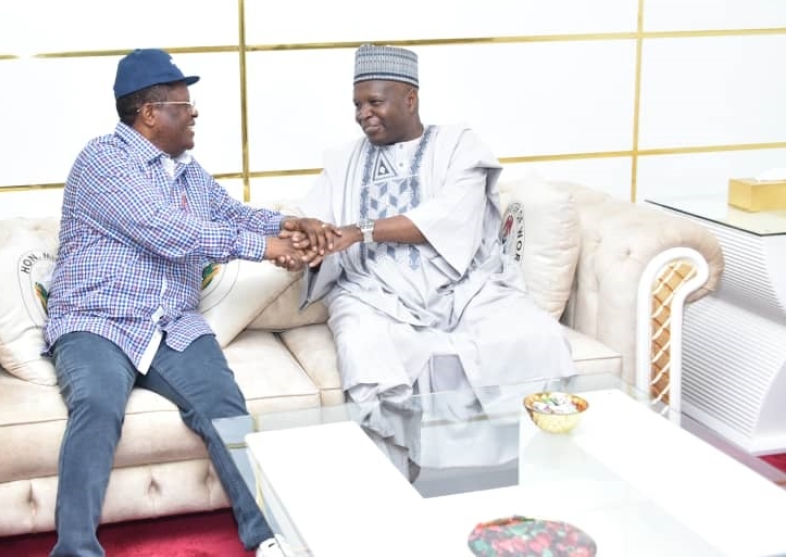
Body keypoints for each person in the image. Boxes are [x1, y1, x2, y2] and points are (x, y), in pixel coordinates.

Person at [43, 48, 317, 557]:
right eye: (183, 104)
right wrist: (266, 248)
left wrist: (287, 224)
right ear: (150, 113)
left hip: (172, 324)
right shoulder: (103, 159)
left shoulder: (186, 171)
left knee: (225, 407)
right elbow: (164, 231)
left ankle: (270, 539)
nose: (193, 113)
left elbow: (230, 213)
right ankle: (75, 550)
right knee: (98, 403)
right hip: (97, 320)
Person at [289, 44, 577, 475]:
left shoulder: (458, 145)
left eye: (374, 102)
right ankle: (393, 486)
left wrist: (359, 231)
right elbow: (315, 221)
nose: (363, 113)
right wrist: (307, 239)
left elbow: (452, 217)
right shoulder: (344, 160)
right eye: (357, 104)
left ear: (410, 99)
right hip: (374, 291)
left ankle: (541, 472)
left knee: (537, 338)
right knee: (366, 351)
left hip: (467, 288)